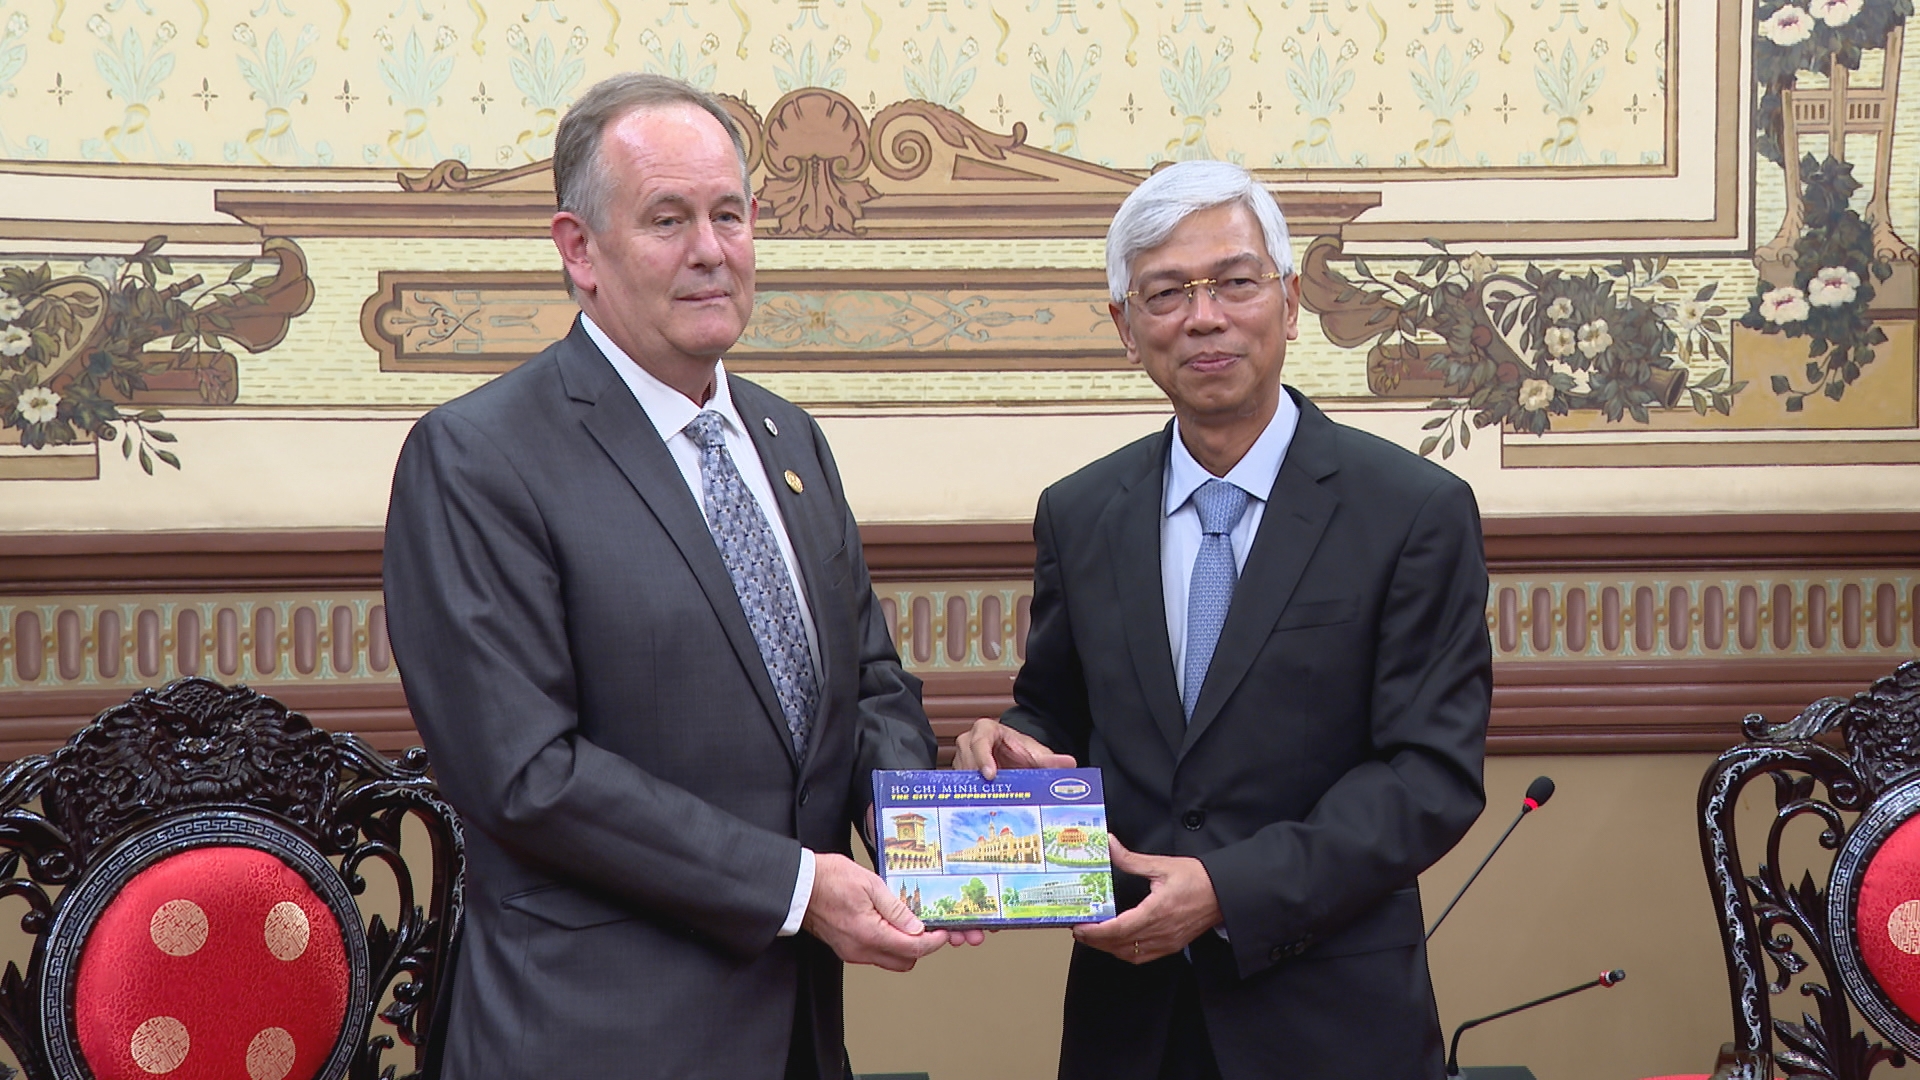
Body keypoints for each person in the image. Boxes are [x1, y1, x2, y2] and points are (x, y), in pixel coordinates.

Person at [383, 73, 951, 1080]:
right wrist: (794, 888)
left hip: (797, 1038)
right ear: (578, 249)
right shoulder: (478, 458)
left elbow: (867, 688)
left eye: (729, 214)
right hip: (593, 1039)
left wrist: (930, 838)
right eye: (667, 219)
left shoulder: (790, 440)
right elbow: (527, 775)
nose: (711, 250)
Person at [955, 160, 1492, 1080]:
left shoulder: (1411, 510)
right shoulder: (1080, 514)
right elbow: (1059, 713)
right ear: (1126, 327)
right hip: (1131, 1024)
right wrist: (1009, 747)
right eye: (1167, 293)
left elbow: (1428, 775)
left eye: (1235, 282)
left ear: (1289, 302)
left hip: (1332, 1025)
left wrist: (1227, 890)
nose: (1204, 317)